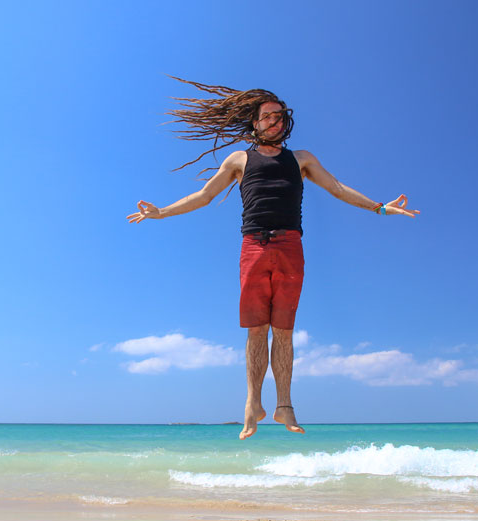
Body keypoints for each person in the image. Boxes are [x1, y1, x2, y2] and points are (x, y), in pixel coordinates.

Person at [127, 78, 419, 440]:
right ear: (255, 123)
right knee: (255, 329)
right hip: (252, 247)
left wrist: (379, 208)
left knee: (283, 330)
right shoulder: (238, 159)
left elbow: (337, 187)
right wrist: (162, 212)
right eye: (267, 117)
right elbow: (204, 195)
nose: (275, 122)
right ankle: (253, 404)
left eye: (279, 117)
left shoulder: (302, 160)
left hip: (289, 247)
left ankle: (284, 405)